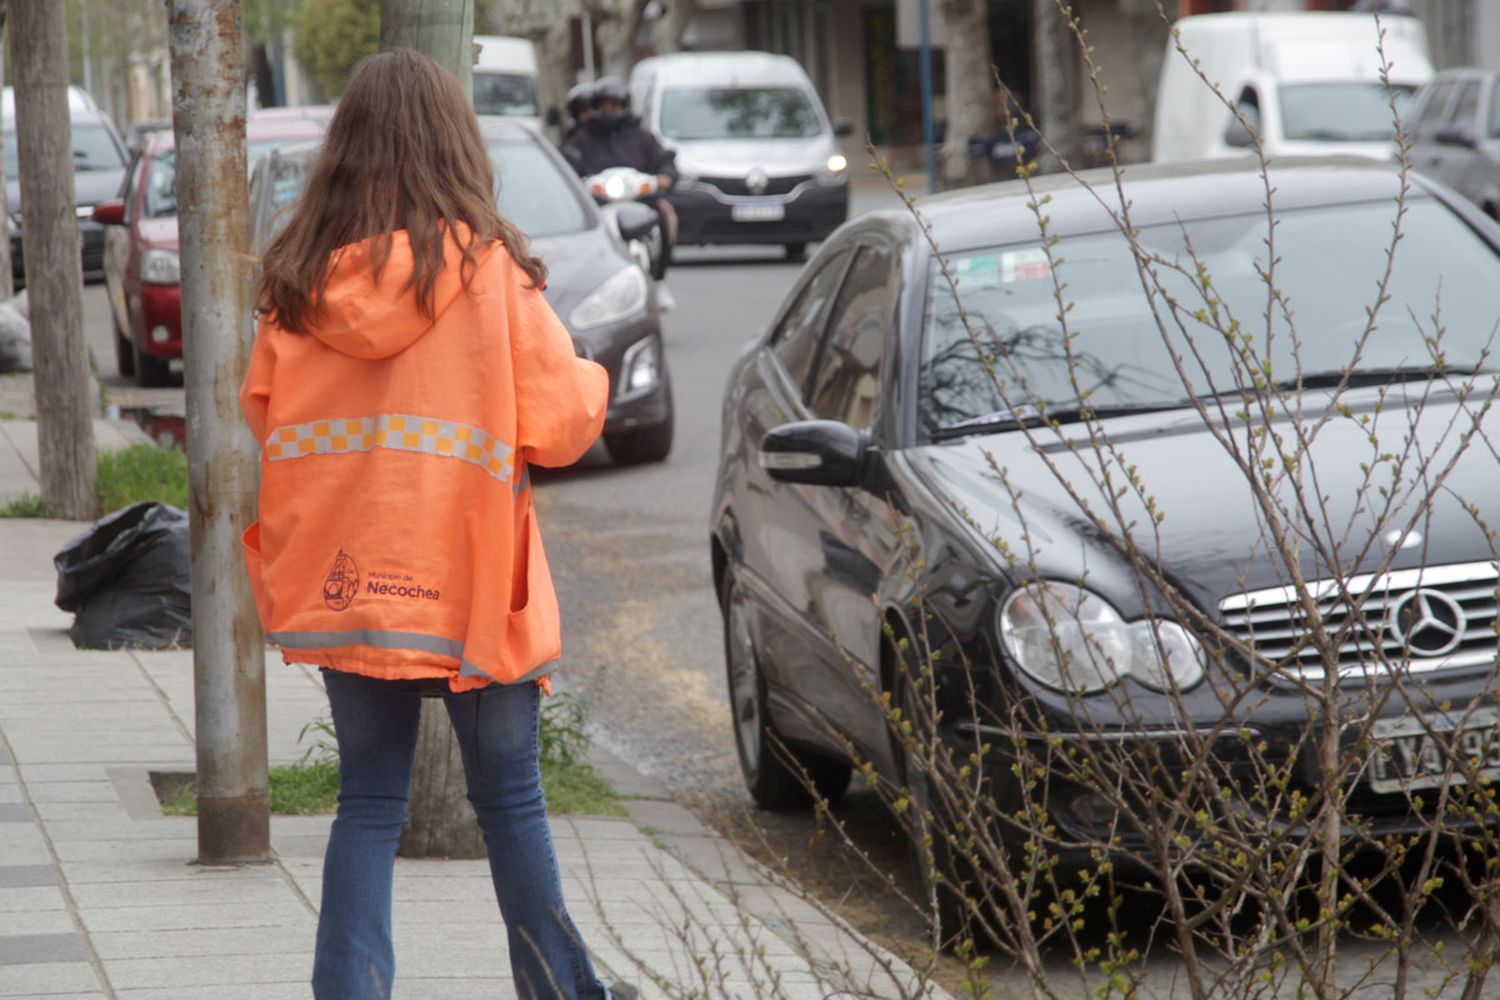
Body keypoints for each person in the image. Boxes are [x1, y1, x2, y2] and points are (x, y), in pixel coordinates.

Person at [241, 48, 628, 1000]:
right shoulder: (489, 276)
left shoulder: (295, 286)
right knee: (510, 802)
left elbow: (263, 413)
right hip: (469, 594)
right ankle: (559, 994)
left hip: (348, 588)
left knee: (367, 804)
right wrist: (590, 374)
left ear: (345, 153)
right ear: (455, 146)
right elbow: (562, 423)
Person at [561, 76, 678, 245]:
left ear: (624, 105)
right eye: (603, 106)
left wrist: (665, 176)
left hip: (641, 200)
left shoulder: (642, 137)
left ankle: (660, 263)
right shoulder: (581, 139)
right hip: (597, 204)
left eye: (614, 105)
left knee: (666, 215)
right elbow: (568, 165)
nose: (608, 111)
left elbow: (663, 160)